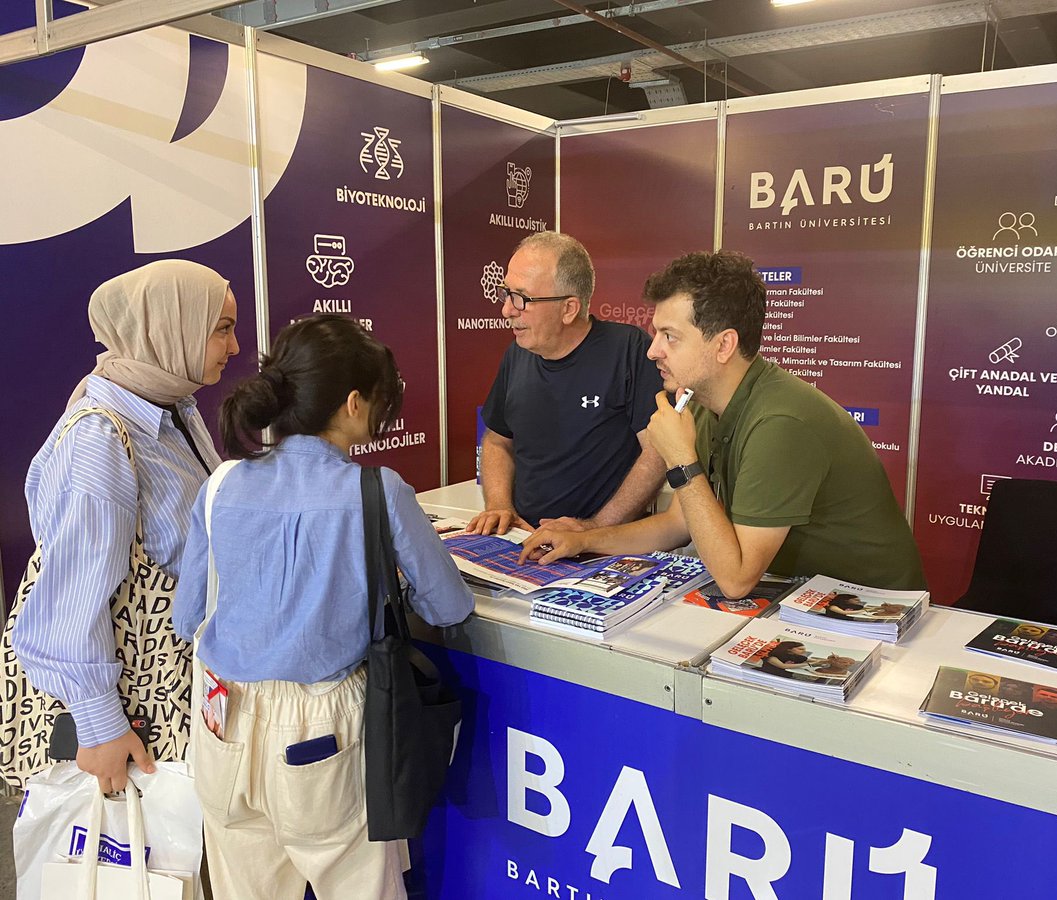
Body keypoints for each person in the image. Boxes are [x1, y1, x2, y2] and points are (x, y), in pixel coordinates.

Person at [174, 315, 473, 900]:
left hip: (220, 720)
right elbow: (447, 605)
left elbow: (190, 617)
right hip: (324, 732)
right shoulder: (377, 491)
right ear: (355, 402)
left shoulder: (221, 483)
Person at [520, 250, 926, 596]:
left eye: (670, 336)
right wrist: (583, 540)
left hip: (870, 607)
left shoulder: (781, 423)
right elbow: (678, 523)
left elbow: (736, 579)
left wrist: (680, 460)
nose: (653, 351)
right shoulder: (700, 401)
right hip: (798, 593)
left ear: (724, 345)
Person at [10, 259, 238, 793]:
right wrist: (101, 728)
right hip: (137, 712)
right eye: (222, 329)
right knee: (140, 867)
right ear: (168, 328)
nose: (233, 347)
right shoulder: (102, 442)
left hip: (182, 684)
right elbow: (68, 603)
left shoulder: (173, 405)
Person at [467, 232, 665, 536]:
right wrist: (499, 505)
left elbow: (657, 454)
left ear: (569, 309)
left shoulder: (629, 350)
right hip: (523, 539)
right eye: (506, 294)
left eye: (521, 298)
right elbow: (497, 440)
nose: (507, 310)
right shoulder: (517, 354)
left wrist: (595, 529)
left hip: (601, 549)